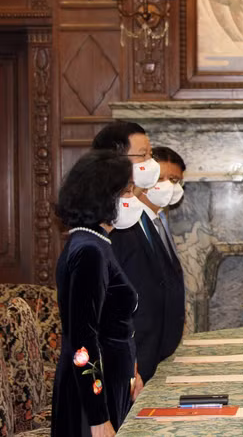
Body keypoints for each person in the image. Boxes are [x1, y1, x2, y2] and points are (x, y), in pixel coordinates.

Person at [51, 150, 143, 436]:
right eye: (126, 191)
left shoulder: (96, 242)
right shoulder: (89, 250)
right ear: (104, 196)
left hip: (111, 384)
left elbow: (113, 324)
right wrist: (97, 417)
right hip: (92, 399)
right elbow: (83, 339)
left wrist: (132, 371)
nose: (133, 198)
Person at [91, 122, 181, 383]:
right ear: (115, 159)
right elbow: (105, 306)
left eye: (150, 155)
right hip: (126, 365)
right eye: (143, 155)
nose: (151, 163)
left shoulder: (137, 213)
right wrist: (126, 366)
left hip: (151, 356)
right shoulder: (107, 222)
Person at [140, 145, 186, 362]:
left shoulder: (160, 220)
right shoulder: (132, 223)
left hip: (163, 341)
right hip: (144, 341)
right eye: (161, 178)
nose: (168, 185)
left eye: (175, 180)